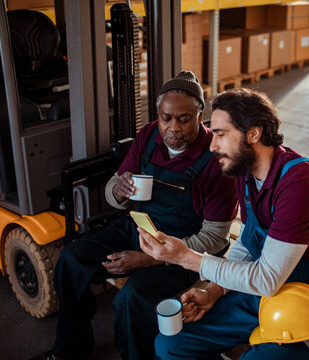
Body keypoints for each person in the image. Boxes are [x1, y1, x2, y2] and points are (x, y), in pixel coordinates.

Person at [138, 88, 309, 359]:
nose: (212, 145)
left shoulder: (302, 185)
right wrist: (214, 290)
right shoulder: (246, 173)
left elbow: (267, 279)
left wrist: (188, 258)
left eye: (221, 134)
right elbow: (248, 243)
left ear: (254, 133)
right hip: (265, 290)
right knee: (171, 345)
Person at [34, 71, 238, 360]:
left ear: (199, 114)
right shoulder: (149, 135)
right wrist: (118, 192)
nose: (173, 128)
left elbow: (215, 239)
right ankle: (71, 349)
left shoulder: (216, 160)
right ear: (158, 113)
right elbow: (113, 188)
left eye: (183, 119)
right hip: (139, 229)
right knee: (72, 259)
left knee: (131, 301)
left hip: (184, 249)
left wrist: (149, 258)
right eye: (166, 117)